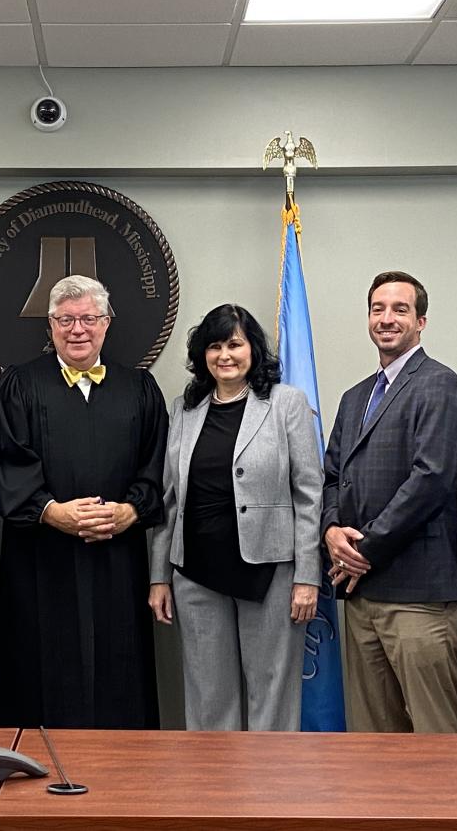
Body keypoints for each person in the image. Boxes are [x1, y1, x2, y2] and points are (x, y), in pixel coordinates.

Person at [0, 274, 168, 729]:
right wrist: (51, 511)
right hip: (41, 559)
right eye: (66, 319)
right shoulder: (18, 386)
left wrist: (130, 511)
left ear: (107, 324)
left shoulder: (139, 388)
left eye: (88, 318)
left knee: (116, 665)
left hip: (116, 559)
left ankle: (122, 778)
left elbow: (159, 464)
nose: (77, 329)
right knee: (39, 668)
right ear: (50, 326)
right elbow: (2, 461)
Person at [148, 305, 322, 731]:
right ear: (202, 354)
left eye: (234, 344)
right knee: (208, 699)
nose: (225, 355)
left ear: (253, 350)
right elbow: (170, 497)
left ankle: (272, 793)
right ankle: (214, 795)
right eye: (214, 346)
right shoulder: (184, 410)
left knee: (272, 694)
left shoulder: (286, 404)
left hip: (269, 572)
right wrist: (159, 576)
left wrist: (307, 577)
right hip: (196, 573)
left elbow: (309, 493)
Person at [323, 270, 457, 733]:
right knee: (372, 739)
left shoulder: (440, 384)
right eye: (378, 309)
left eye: (400, 310)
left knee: (433, 735)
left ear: (421, 321)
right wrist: (330, 531)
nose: (387, 319)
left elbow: (431, 480)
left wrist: (363, 551)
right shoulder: (354, 398)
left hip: (418, 594)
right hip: (360, 595)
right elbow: (330, 477)